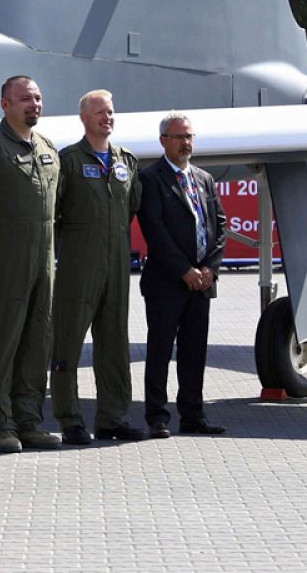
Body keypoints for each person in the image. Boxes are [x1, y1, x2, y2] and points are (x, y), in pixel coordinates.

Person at [0, 75, 61, 453]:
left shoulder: (47, 147)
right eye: (25, 99)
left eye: (37, 98)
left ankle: (30, 421)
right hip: (4, 261)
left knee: (37, 344)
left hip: (42, 262)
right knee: (2, 343)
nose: (34, 104)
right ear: (5, 104)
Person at [50, 90, 147, 445]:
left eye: (110, 111)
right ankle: (69, 419)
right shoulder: (69, 161)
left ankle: (113, 417)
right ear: (84, 118)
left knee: (115, 344)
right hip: (79, 263)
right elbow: (55, 213)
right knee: (67, 343)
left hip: (117, 264)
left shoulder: (127, 161)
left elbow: (130, 207)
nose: (107, 117)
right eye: (99, 112)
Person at [136, 112, 228, 438]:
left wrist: (208, 270)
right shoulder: (151, 179)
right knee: (160, 351)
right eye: (179, 137)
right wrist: (184, 270)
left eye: (189, 137)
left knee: (194, 351)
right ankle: (157, 418)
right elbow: (155, 231)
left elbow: (219, 226)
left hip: (201, 284)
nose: (186, 143)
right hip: (166, 283)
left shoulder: (204, 178)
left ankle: (193, 415)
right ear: (164, 141)